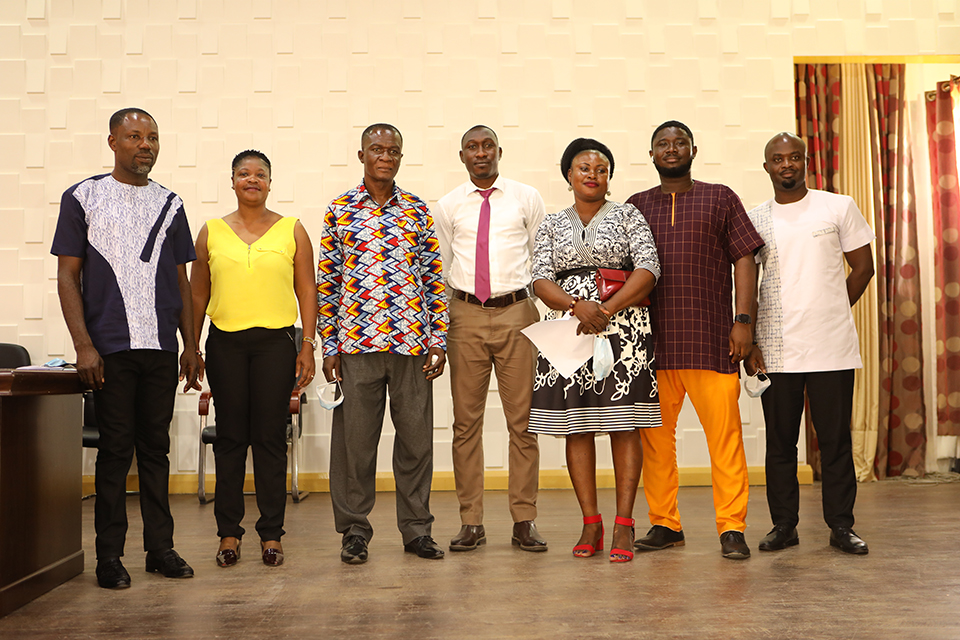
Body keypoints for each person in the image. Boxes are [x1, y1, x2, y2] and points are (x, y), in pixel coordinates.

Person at [52, 108, 199, 589]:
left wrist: (190, 345)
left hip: (159, 347)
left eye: (153, 137)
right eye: (134, 136)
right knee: (115, 452)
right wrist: (84, 345)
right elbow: (68, 276)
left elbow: (181, 281)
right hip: (109, 349)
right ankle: (109, 558)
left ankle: (160, 549)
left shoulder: (171, 204)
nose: (146, 145)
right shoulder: (82, 197)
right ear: (112, 142)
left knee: (155, 450)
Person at [626, 120, 764, 559]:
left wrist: (743, 320)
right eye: (662, 144)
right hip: (650, 345)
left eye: (679, 142)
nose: (671, 149)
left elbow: (744, 258)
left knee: (725, 439)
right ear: (651, 155)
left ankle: (732, 527)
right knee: (654, 440)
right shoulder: (635, 205)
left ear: (693, 149)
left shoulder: (720, 197)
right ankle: (665, 523)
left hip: (710, 339)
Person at [318, 123, 449, 564]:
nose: (385, 156)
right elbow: (329, 283)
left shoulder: (416, 210)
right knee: (355, 444)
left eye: (393, 150)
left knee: (416, 442)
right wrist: (329, 345)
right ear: (362, 156)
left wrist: (438, 339)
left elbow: (434, 280)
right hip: (356, 346)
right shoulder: (340, 210)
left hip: (411, 344)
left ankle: (416, 531)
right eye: (376, 149)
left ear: (400, 157)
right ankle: (354, 531)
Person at [529, 138, 661, 562]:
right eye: (583, 167)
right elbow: (540, 279)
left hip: (621, 330)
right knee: (577, 426)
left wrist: (605, 309)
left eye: (601, 168)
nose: (592, 174)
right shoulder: (551, 223)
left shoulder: (627, 215)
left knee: (624, 425)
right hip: (568, 331)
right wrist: (576, 306)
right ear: (568, 174)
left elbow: (648, 268)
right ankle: (591, 522)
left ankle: (624, 524)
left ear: (609, 176)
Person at [745, 132, 874, 555]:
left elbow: (863, 267)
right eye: (778, 159)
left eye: (794, 157)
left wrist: (832, 307)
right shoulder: (755, 218)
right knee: (780, 442)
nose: (787, 164)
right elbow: (746, 283)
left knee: (835, 441)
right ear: (767, 167)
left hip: (831, 346)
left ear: (805, 161)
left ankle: (841, 526)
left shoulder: (837, 206)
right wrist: (750, 340)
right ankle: (784, 526)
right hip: (776, 348)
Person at [189, 150, 319, 568]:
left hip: (276, 343)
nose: (252, 179)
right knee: (229, 439)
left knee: (268, 440)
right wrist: (191, 346)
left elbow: (307, 291)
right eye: (243, 173)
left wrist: (308, 344)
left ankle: (271, 535)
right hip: (224, 343)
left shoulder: (291, 230)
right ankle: (229, 533)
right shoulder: (210, 231)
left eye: (259, 174)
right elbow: (197, 294)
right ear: (232, 181)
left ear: (269, 182)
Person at [434, 125, 548, 553]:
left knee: (523, 423)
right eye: (471, 148)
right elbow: (442, 265)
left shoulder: (526, 197)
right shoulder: (447, 206)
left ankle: (524, 520)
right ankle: (471, 522)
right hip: (464, 316)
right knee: (466, 424)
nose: (480, 153)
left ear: (499, 151)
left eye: (487, 146)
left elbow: (541, 258)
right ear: (462, 156)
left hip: (518, 312)